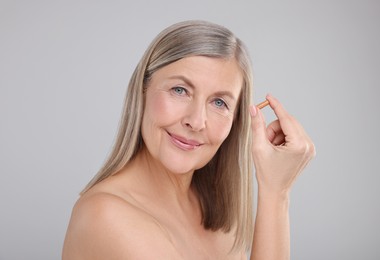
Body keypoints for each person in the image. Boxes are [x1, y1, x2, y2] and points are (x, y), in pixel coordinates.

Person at [62, 20, 315, 259]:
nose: (196, 121)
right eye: (180, 90)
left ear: (237, 120)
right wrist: (275, 191)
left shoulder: (217, 210)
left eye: (219, 102)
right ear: (142, 90)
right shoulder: (105, 216)